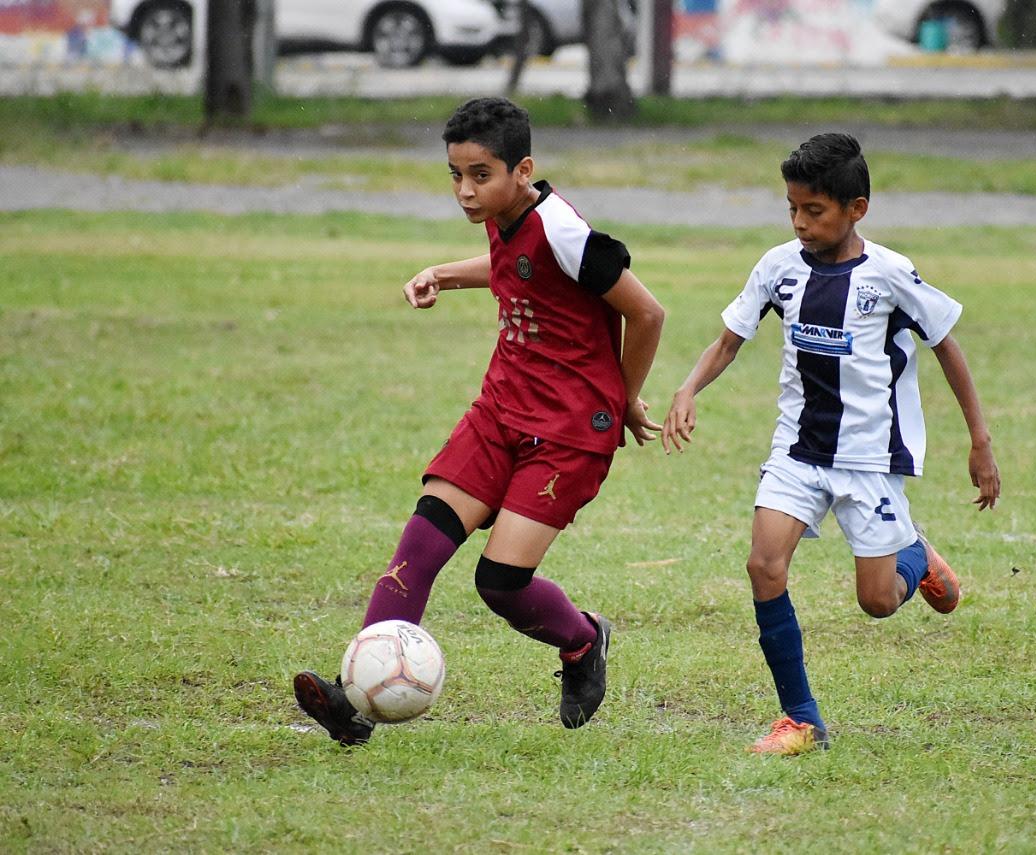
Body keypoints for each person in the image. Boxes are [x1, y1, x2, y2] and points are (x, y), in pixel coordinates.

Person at [295, 97, 666, 745]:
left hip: (569, 434)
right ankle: (350, 703)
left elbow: (648, 312)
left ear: (523, 170)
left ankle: (583, 640)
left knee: (498, 582)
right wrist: (441, 272)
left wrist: (624, 397)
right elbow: (513, 272)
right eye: (454, 174)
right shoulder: (504, 213)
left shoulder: (566, 232)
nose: (465, 191)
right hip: (500, 412)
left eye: (480, 174)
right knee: (419, 546)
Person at [661, 133, 1000, 756]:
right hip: (797, 449)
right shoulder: (778, 266)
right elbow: (729, 340)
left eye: (813, 211)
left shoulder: (891, 275)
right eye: (792, 208)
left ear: (856, 208)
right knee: (763, 564)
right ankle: (801, 719)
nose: (799, 222)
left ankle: (915, 557)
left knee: (876, 603)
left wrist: (979, 440)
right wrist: (687, 390)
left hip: (870, 460)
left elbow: (947, 346)